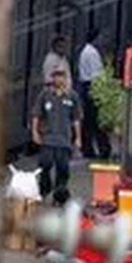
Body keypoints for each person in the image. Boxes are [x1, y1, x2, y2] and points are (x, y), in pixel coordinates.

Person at [31, 67, 81, 200]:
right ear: (52, 78)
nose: (59, 79)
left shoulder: (72, 96)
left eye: (61, 76)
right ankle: (44, 189)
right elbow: (36, 114)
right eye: (56, 76)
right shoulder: (45, 95)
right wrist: (35, 132)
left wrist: (78, 138)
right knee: (45, 164)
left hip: (64, 139)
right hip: (48, 138)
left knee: (63, 168)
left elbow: (76, 118)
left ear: (65, 78)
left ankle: (60, 195)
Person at [78, 28, 111, 160]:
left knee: (89, 120)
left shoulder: (86, 51)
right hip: (93, 86)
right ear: (96, 38)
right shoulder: (92, 53)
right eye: (101, 37)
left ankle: (88, 148)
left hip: (87, 86)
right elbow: (97, 74)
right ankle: (103, 148)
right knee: (97, 119)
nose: (102, 40)